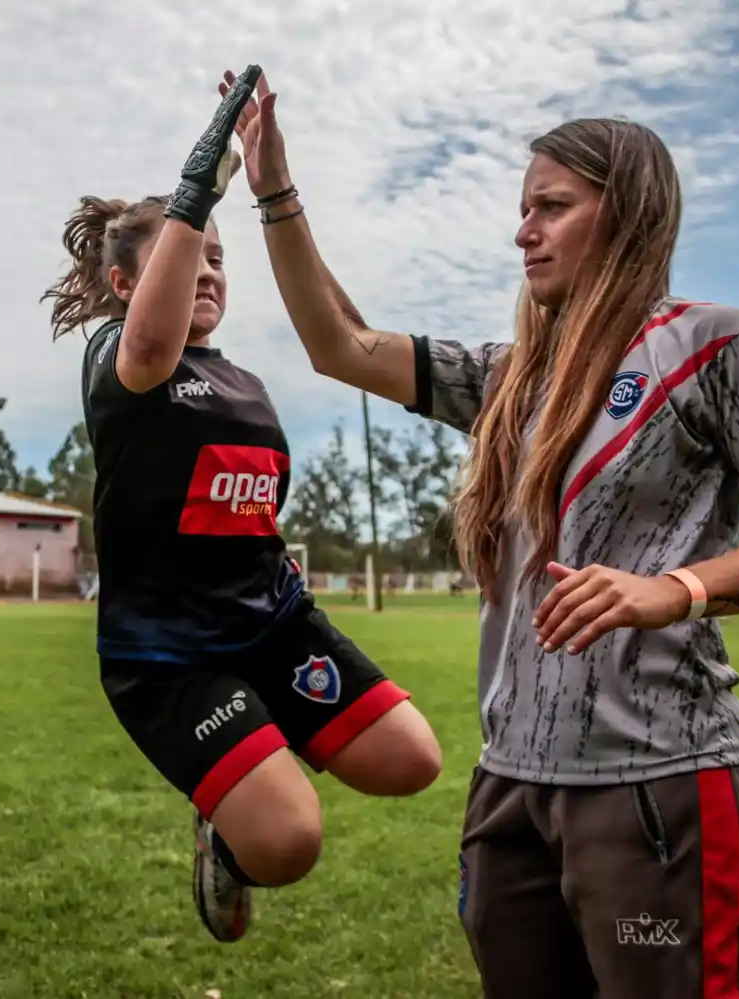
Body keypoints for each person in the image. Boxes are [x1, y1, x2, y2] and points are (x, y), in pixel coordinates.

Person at [223, 67, 739, 997]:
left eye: (551, 207)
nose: (524, 231)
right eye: (525, 209)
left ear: (628, 211)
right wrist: (275, 190)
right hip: (510, 785)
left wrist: (670, 590)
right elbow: (341, 343)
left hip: (659, 785)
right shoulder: (513, 378)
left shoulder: (716, 346)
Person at [41, 65, 443, 945]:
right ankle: (227, 834)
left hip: (272, 624)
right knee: (290, 841)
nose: (211, 270)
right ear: (125, 284)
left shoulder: (246, 383)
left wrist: (270, 190)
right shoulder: (122, 358)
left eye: (220, 259)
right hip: (171, 656)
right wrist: (195, 190)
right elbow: (150, 340)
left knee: (413, 758)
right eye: (192, 255)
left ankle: (255, 755)